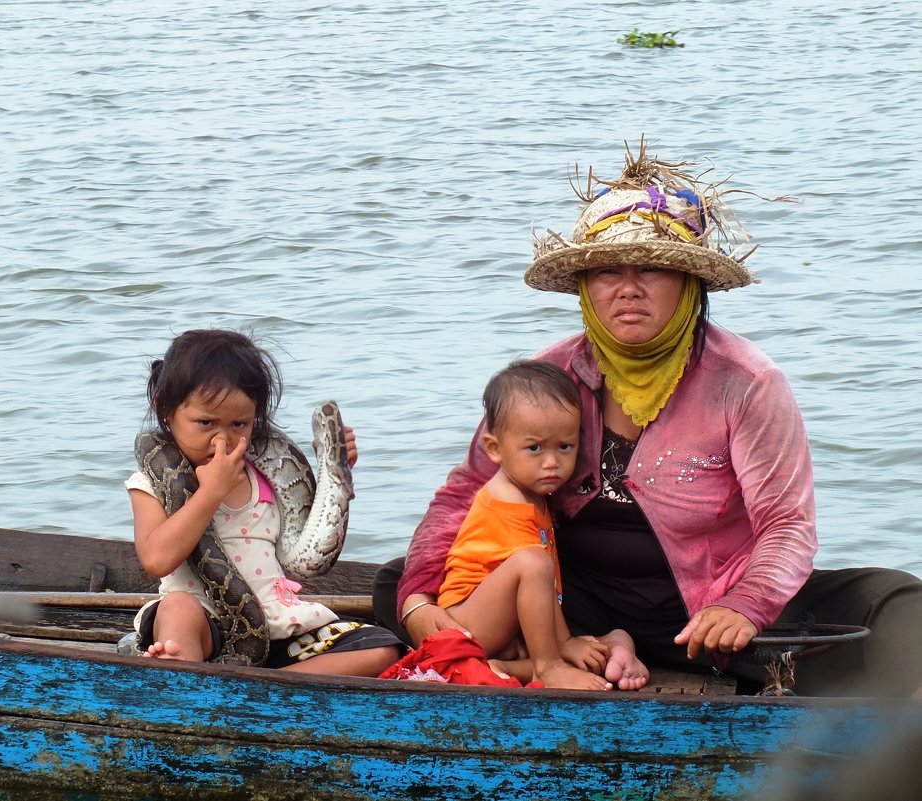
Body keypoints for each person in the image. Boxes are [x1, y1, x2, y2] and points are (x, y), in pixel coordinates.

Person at [374, 140, 922, 696]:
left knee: (895, 599)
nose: (628, 289)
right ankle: (588, 647)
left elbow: (787, 525)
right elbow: (466, 494)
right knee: (395, 578)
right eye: (608, 271)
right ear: (585, 289)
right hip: (570, 599)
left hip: (705, 612)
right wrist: (418, 599)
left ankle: (610, 652)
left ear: (690, 286)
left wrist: (745, 606)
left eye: (652, 270)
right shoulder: (551, 374)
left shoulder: (747, 383)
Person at [128, 328, 403, 674]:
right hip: (204, 622)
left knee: (384, 649)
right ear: (165, 411)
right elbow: (157, 559)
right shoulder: (149, 483)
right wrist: (210, 492)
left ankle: (259, 685)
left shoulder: (264, 479)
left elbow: (302, 549)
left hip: (276, 623)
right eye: (205, 422)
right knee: (177, 610)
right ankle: (194, 674)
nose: (222, 438)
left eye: (239, 423)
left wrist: (332, 466)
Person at [433, 359, 648, 691]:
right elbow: (536, 572)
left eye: (565, 447)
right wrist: (562, 646)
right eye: (534, 448)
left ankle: (507, 666)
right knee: (533, 561)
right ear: (494, 448)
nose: (552, 463)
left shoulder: (531, 490)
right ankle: (548, 668)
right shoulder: (509, 502)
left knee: (615, 635)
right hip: (467, 622)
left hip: (498, 620)